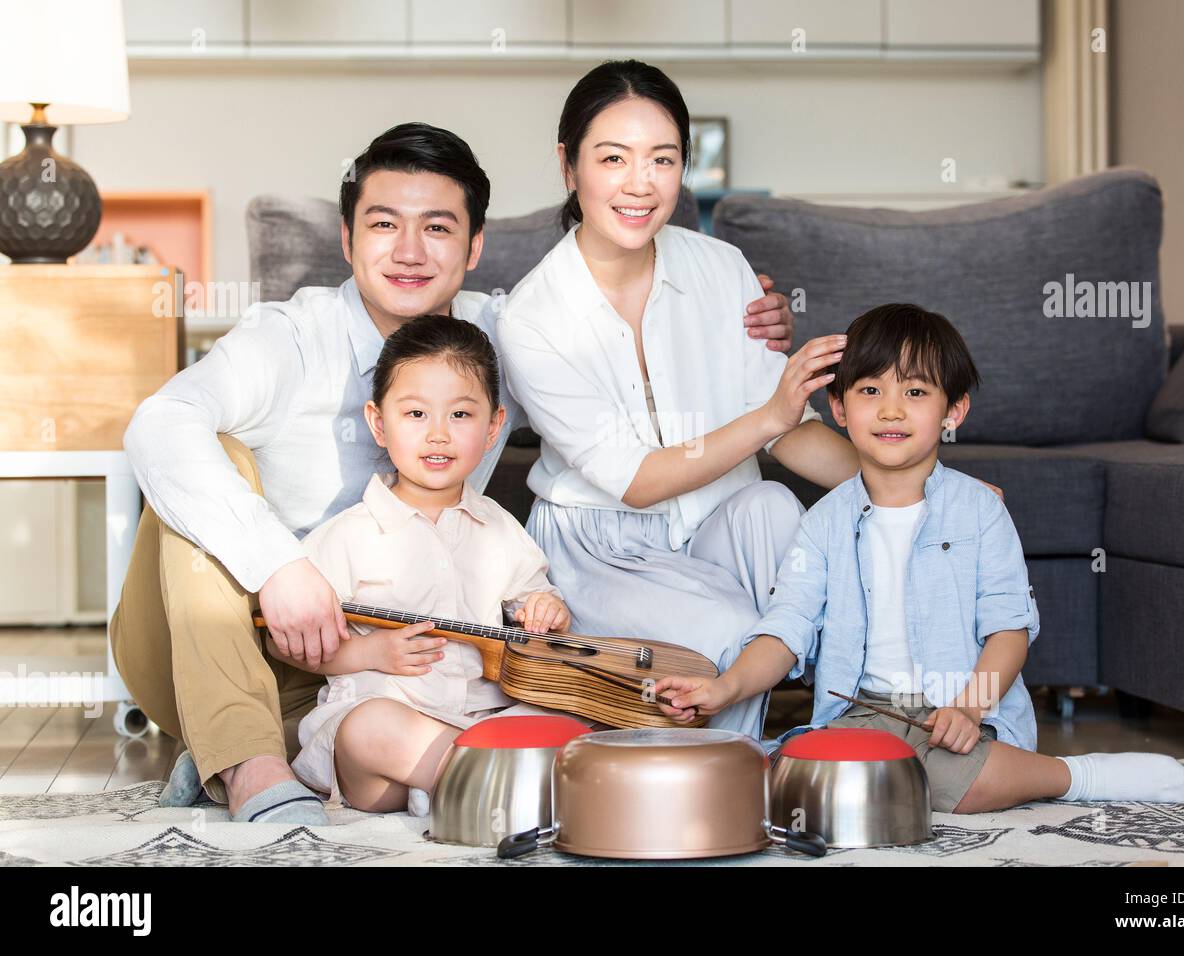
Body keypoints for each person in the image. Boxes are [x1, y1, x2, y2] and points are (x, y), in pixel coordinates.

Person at [110, 120, 796, 823]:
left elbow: (624, 378)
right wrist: (278, 567)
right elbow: (157, 425)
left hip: (386, 675)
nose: (410, 252)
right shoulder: (288, 338)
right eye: (384, 225)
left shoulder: (502, 338)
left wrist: (735, 319)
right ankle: (250, 763)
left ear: (474, 248)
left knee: (397, 724)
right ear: (347, 241)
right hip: (230, 640)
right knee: (208, 456)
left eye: (438, 228)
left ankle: (291, 750)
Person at [656, 303, 1184, 812]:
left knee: (951, 775)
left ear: (953, 411)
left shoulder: (980, 511)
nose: (891, 409)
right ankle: (910, 775)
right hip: (863, 712)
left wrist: (969, 707)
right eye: (870, 390)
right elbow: (786, 627)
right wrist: (725, 686)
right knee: (796, 777)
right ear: (838, 409)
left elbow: (1008, 630)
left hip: (959, 712)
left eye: (915, 391)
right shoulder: (821, 523)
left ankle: (1073, 777)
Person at [496, 61, 863, 740]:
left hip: (717, 519)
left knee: (780, 512)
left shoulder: (720, 269)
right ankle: (733, 779)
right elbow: (637, 481)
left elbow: (789, 435)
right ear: (568, 166)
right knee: (730, 628)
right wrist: (766, 418)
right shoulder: (531, 319)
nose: (640, 184)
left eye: (662, 160)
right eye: (613, 158)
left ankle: (838, 746)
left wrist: (923, 483)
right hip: (603, 547)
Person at [284, 315, 579, 815]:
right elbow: (289, 642)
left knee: (568, 714)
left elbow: (533, 594)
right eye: (416, 414)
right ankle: (506, 786)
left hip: (481, 720)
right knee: (369, 727)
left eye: (461, 416)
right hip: (384, 746)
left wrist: (546, 609)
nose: (438, 435)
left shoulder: (500, 528)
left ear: (492, 428)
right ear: (380, 424)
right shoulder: (347, 535)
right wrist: (371, 652)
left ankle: (460, 788)